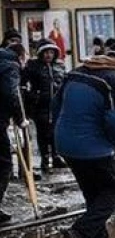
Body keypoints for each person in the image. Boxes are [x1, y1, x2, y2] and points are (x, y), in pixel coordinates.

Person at [53, 40, 115, 238]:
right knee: (114, 192)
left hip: (65, 143)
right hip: (93, 146)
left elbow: (56, 105)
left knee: (94, 195)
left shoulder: (76, 72)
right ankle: (80, 232)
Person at [22, 38, 67, 171]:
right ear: (41, 53)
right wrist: (33, 97)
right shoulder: (33, 66)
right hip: (40, 105)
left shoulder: (59, 66)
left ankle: (56, 155)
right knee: (43, 132)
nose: (48, 55)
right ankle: (45, 158)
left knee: (55, 131)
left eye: (51, 52)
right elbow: (23, 83)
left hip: (57, 105)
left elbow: (64, 83)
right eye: (46, 52)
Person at [0, 42, 29, 224]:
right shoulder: (11, 66)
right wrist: (20, 119)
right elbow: (12, 94)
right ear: (21, 56)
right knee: (3, 165)